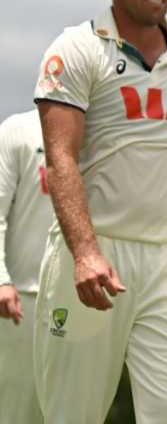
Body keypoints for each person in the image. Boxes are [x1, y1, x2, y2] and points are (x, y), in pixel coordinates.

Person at [32, 0, 167, 422]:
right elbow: (61, 157)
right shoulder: (75, 49)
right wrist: (86, 252)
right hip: (96, 256)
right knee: (73, 412)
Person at [0, 109, 55, 423]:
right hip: (22, 300)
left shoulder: (106, 130)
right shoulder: (19, 130)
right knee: (16, 413)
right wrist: (1, 279)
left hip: (84, 301)